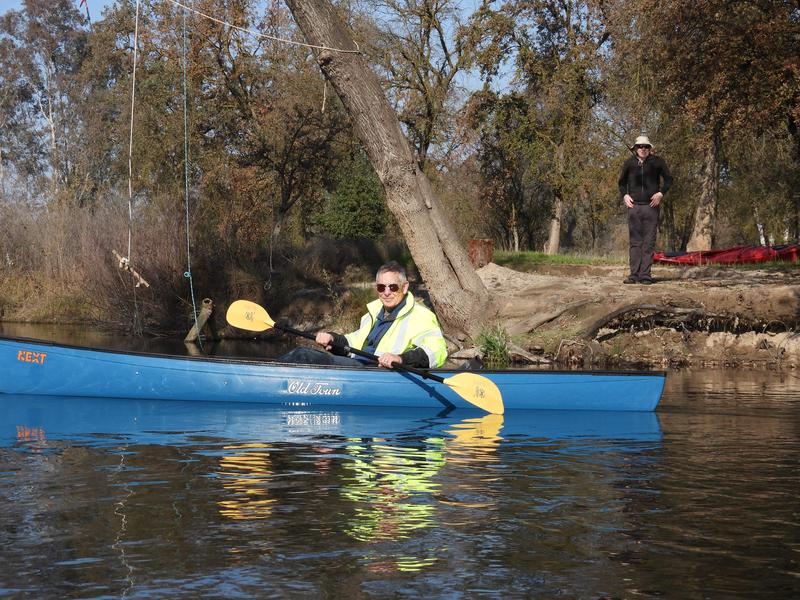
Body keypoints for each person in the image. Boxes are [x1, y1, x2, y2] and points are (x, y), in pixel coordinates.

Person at [277, 261, 448, 369]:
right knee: (302, 354)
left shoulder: (420, 315)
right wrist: (332, 339)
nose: (386, 292)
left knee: (303, 355)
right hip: (360, 367)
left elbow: (438, 351)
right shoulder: (373, 314)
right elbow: (353, 344)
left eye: (393, 287)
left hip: (380, 375)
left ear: (404, 287)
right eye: (381, 287)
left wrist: (400, 359)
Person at [618, 135, 673, 285]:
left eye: (646, 146)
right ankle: (634, 275)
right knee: (635, 242)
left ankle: (645, 275)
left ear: (650, 148)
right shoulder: (629, 163)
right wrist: (625, 195)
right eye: (640, 146)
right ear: (635, 148)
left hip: (651, 207)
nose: (643, 149)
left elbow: (669, 179)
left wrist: (661, 193)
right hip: (634, 207)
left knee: (649, 241)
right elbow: (621, 183)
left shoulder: (658, 162)